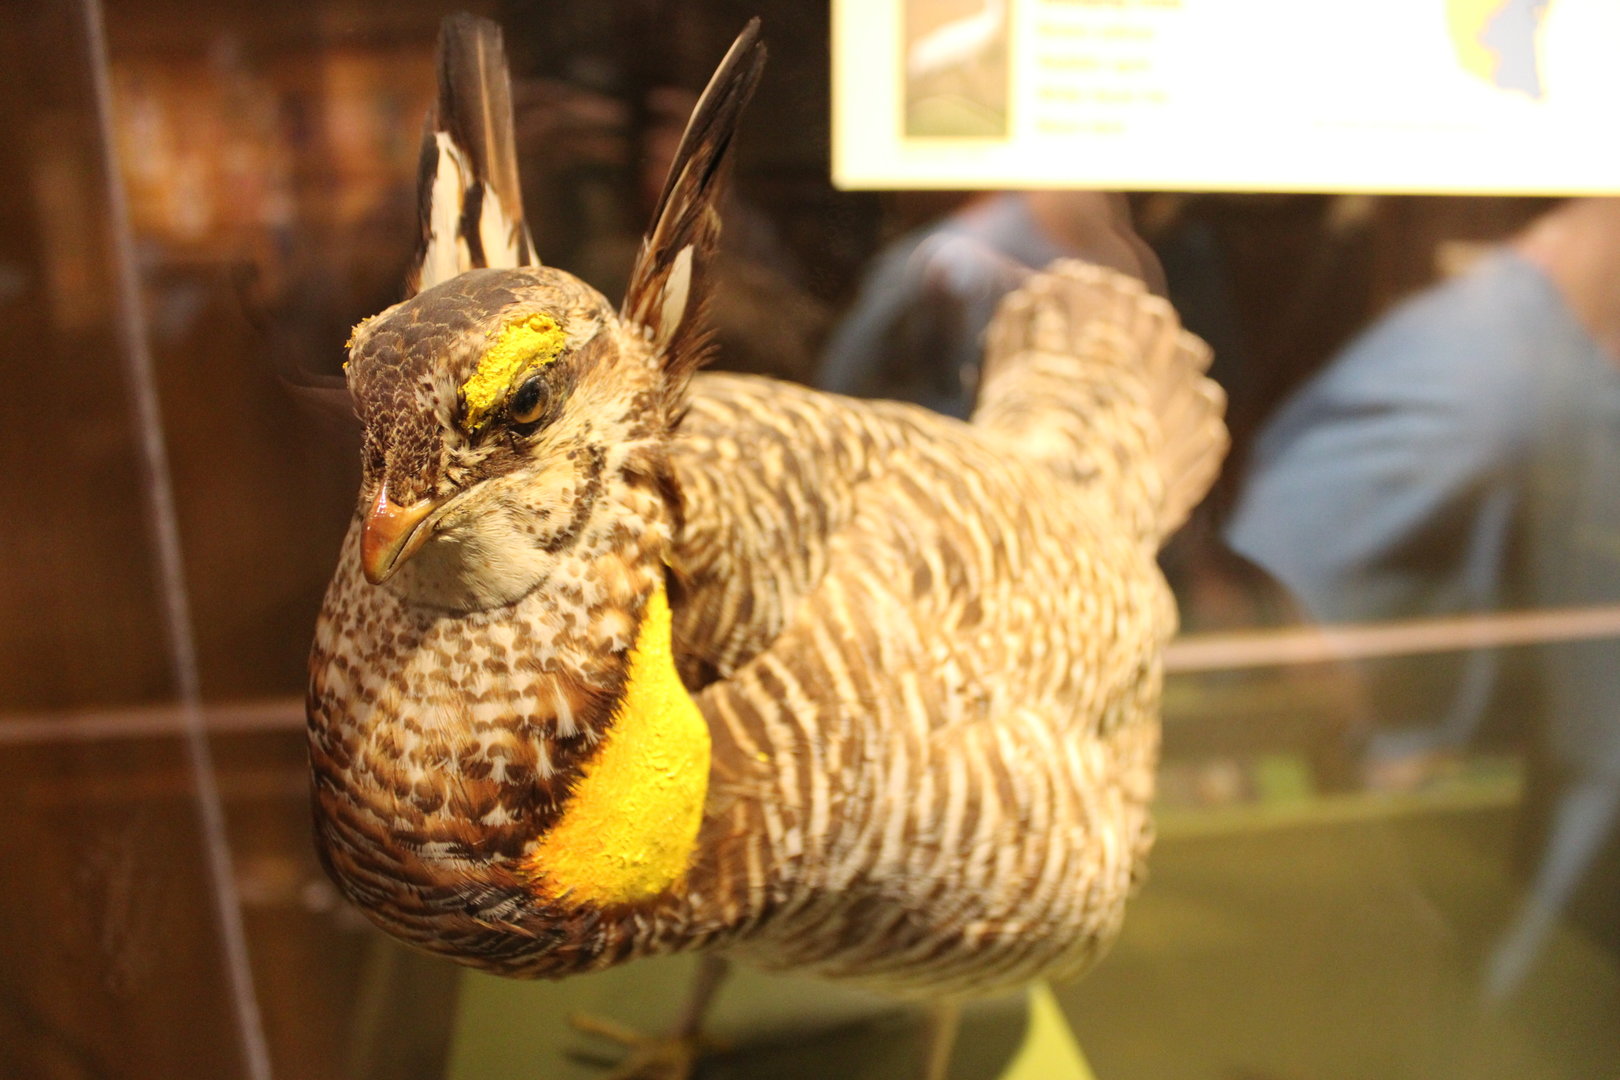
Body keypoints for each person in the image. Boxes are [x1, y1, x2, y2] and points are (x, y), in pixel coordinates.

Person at [1226, 198, 1620, 1001]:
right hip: (1452, 872)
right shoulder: (1478, 366)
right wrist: (1387, 756)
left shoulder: (1542, 352)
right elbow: (1271, 595)